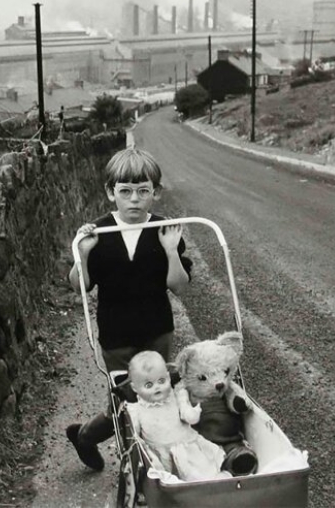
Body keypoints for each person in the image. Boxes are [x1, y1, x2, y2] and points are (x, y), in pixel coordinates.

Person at [66, 147, 192, 471]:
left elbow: (179, 285)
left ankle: (158, 464)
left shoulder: (166, 229)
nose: (134, 199)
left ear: (155, 192)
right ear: (111, 193)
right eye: (125, 191)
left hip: (158, 331)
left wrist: (170, 252)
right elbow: (79, 285)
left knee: (160, 398)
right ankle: (87, 437)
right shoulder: (99, 231)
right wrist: (83, 254)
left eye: (142, 191)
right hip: (117, 334)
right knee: (126, 403)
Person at [125, 351, 230, 481]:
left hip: (185, 446)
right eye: (148, 385)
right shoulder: (136, 410)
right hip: (161, 454)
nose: (157, 387)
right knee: (165, 479)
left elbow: (188, 416)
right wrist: (145, 451)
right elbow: (135, 435)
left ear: (168, 378)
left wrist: (192, 412)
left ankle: (214, 481)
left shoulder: (177, 395)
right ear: (134, 388)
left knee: (202, 471)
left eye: (161, 381)